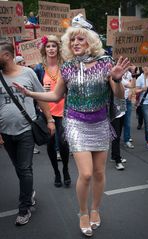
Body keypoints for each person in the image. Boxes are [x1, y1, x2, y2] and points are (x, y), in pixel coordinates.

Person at [13, 14, 130, 237]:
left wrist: (116, 80)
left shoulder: (106, 63)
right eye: (73, 40)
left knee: (98, 172)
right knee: (85, 174)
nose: (76, 43)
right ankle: (83, 212)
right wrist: (29, 93)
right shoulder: (67, 68)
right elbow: (55, 96)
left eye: (81, 39)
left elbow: (118, 95)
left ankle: (96, 209)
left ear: (91, 42)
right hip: (76, 123)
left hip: (100, 123)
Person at [0, 42, 55, 226]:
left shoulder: (28, 73)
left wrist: (50, 119)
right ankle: (29, 191)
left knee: (24, 168)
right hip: (6, 133)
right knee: (19, 168)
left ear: (7, 56)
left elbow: (40, 98)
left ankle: (24, 208)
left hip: (26, 130)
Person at [34, 35, 71, 187]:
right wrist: (42, 90)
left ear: (58, 48)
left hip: (63, 111)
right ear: (44, 49)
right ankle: (56, 172)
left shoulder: (66, 66)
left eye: (53, 46)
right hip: (47, 112)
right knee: (50, 144)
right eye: (48, 46)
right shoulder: (39, 68)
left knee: (63, 143)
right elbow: (33, 90)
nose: (51, 49)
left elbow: (72, 87)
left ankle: (66, 170)